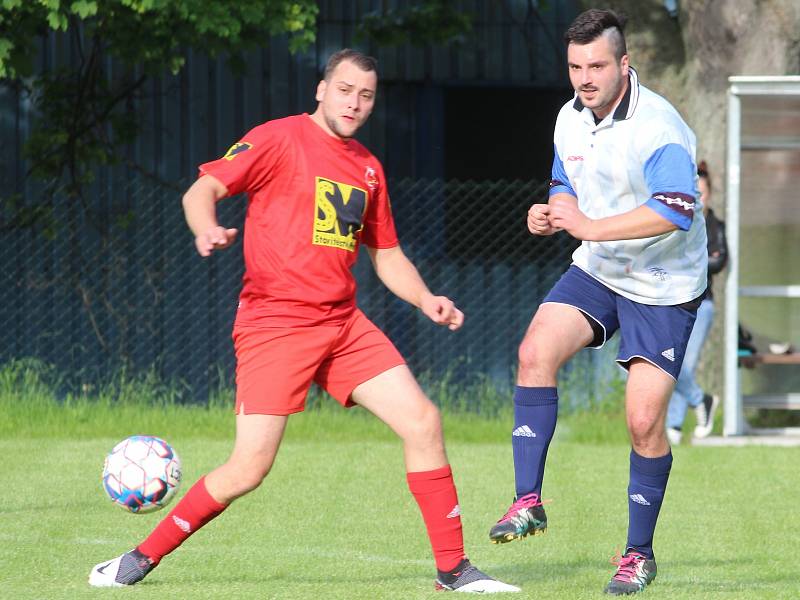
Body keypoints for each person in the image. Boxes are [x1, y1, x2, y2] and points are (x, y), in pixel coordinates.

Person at [88, 49, 519, 594]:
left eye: (366, 95)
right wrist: (205, 227)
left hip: (342, 325)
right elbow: (203, 189)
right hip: (274, 325)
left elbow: (386, 254)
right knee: (248, 469)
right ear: (321, 90)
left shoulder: (368, 168)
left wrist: (425, 298)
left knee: (423, 422)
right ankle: (139, 559)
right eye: (345, 90)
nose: (355, 104)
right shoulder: (277, 138)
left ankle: (454, 571)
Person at [487, 9, 707, 596]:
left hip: (663, 284)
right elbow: (567, 182)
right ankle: (528, 500)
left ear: (624, 64)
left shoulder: (659, 125)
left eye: (597, 65)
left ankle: (638, 555)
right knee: (535, 351)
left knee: (641, 423)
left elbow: (675, 211)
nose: (584, 78)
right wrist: (553, 212)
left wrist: (589, 223)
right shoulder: (569, 118)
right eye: (575, 66)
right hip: (601, 268)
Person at [666, 161, 728, 444]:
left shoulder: (714, 224)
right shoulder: (676, 219)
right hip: (669, 302)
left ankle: (674, 426)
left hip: (701, 304)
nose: (698, 198)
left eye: (702, 193)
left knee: (683, 363)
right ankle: (698, 401)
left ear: (710, 195)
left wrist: (694, 260)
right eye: (694, 192)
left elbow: (719, 260)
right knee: (666, 360)